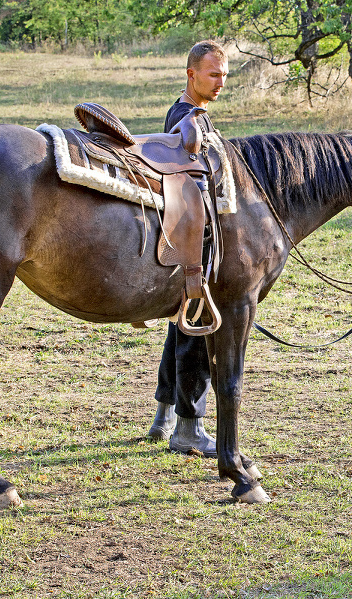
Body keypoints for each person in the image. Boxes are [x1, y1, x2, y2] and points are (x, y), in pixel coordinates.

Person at [146, 41, 229, 458]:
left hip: (188, 235)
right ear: (191, 75)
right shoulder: (187, 117)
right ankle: (189, 427)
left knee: (181, 323)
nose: (220, 82)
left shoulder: (192, 112)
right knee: (196, 329)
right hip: (192, 240)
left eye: (224, 75)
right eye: (213, 74)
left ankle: (162, 416)